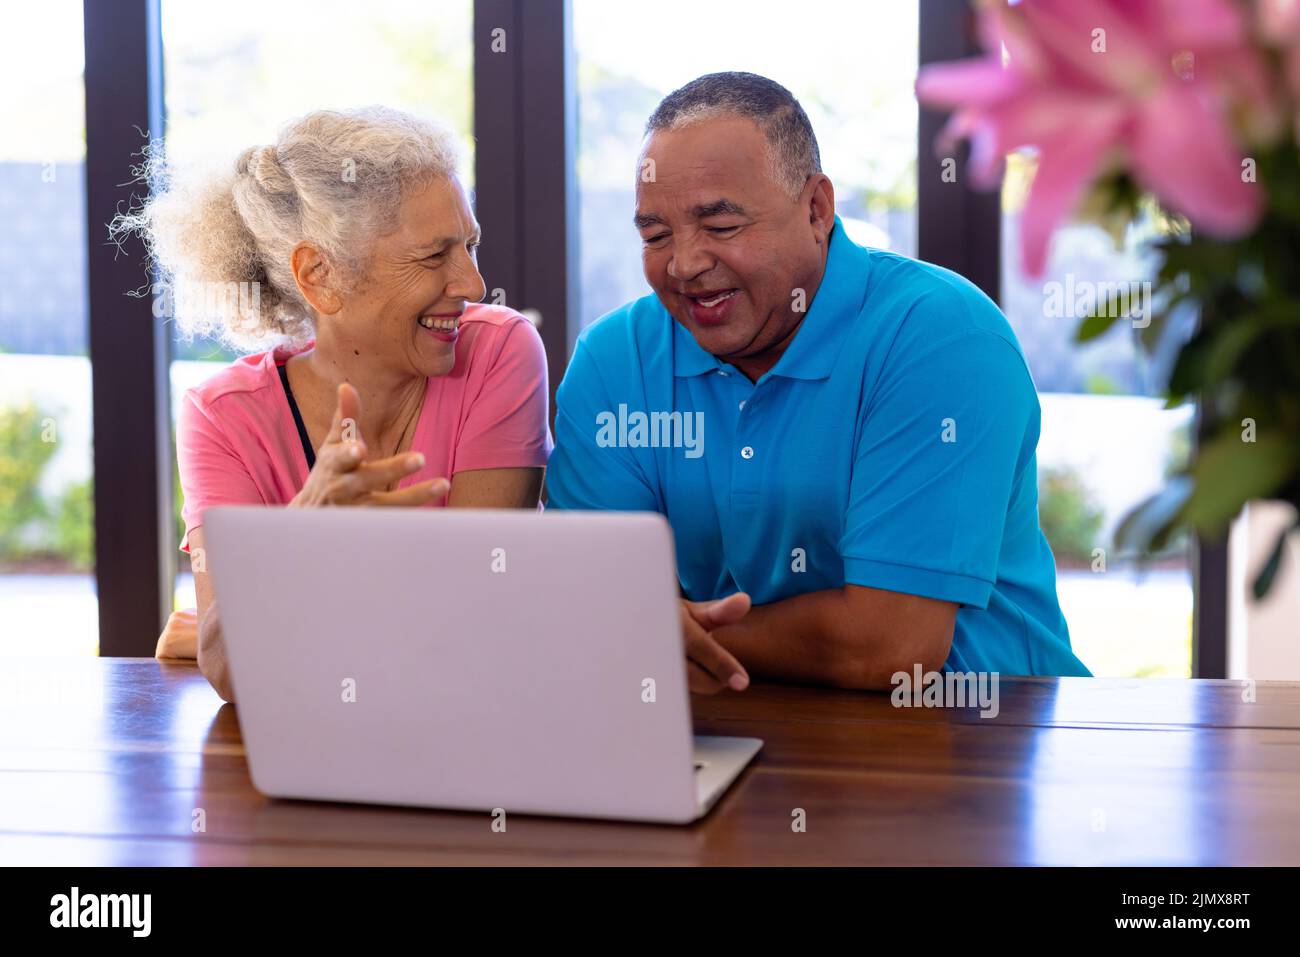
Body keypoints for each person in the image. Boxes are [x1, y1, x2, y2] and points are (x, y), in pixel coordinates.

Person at [545, 72, 1090, 693]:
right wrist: (633, 633)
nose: (685, 263)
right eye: (655, 234)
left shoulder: (942, 336)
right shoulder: (614, 360)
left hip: (982, 737)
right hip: (724, 736)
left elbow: (893, 644)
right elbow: (594, 612)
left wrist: (661, 639)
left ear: (816, 210)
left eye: (721, 227)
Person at [118, 107, 552, 701]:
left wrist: (274, 615)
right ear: (319, 275)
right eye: (433, 256)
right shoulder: (221, 416)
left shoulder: (499, 350)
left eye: (470, 247)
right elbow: (231, 671)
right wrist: (303, 533)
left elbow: (479, 622)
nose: (472, 285)